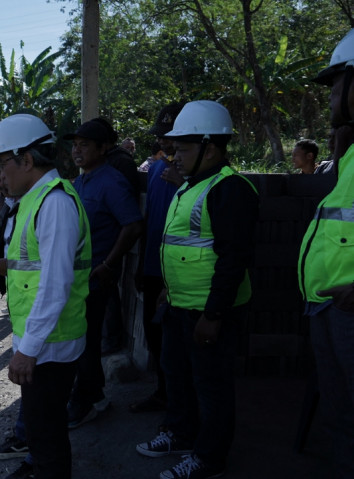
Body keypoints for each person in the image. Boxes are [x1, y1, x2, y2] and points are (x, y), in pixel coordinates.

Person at [0, 113, 91, 478]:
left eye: (3, 163)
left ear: (27, 160)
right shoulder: (34, 200)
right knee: (41, 429)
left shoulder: (53, 203)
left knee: (47, 431)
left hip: (50, 343)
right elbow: (27, 267)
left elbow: (55, 285)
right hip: (41, 339)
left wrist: (28, 350)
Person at [135, 100, 258, 479]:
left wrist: (213, 315)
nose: (175, 157)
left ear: (212, 148)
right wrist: (167, 292)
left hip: (209, 314)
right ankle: (181, 433)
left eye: (184, 150)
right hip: (178, 306)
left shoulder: (231, 189)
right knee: (177, 376)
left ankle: (209, 458)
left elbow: (232, 260)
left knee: (212, 388)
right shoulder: (190, 187)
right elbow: (180, 247)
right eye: (175, 149)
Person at [298, 27, 354, 479]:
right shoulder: (352, 156)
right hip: (328, 306)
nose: (332, 95)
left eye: (337, 83)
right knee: (340, 417)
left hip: (348, 309)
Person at [66, 119, 144, 428]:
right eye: (75, 145)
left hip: (96, 278)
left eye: (85, 145)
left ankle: (83, 402)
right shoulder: (81, 180)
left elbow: (134, 224)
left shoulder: (111, 181)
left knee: (83, 342)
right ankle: (95, 395)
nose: (77, 150)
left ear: (103, 148)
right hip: (78, 278)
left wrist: (110, 264)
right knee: (84, 341)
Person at [130, 102, 185, 414]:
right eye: (162, 137)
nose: (165, 143)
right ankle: (164, 394)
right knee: (156, 336)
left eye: (171, 137)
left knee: (178, 343)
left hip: (181, 273)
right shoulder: (154, 168)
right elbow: (150, 216)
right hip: (153, 266)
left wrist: (184, 183)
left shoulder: (199, 175)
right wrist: (142, 265)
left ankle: (180, 407)